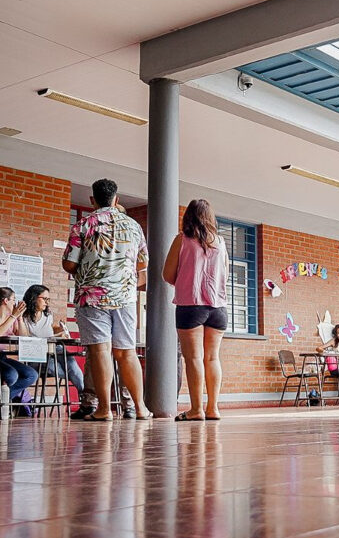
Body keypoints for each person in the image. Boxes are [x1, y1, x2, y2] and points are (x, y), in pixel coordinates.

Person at [62, 178, 152, 421]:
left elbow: (69, 263)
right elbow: (142, 262)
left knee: (100, 351)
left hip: (93, 296)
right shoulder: (134, 227)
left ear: (92, 200)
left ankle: (104, 409)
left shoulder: (83, 224)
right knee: (127, 352)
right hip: (124, 296)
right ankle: (140, 407)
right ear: (117, 199)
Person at [163, 199, 229, 422]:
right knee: (212, 358)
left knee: (193, 358)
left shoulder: (182, 240)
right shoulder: (220, 242)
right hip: (218, 307)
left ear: (188, 216)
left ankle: (196, 410)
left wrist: (187, 279)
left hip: (191, 305)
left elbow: (167, 275)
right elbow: (225, 275)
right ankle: (213, 408)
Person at [0, 287, 39, 413]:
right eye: (13, 300)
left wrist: (19, 318)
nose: (15, 304)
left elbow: (24, 336)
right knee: (11, 374)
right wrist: (13, 316)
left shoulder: (13, 318)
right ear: (5, 301)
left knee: (31, 375)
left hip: (1, 356)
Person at [21, 284, 85, 394]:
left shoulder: (48, 315)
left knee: (72, 364)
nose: (47, 302)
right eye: (44, 299)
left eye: (48, 299)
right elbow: (25, 338)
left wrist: (60, 331)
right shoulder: (23, 317)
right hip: (37, 355)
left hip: (54, 349)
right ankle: (83, 391)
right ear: (34, 297)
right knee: (53, 367)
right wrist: (55, 336)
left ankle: (86, 397)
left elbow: (48, 330)